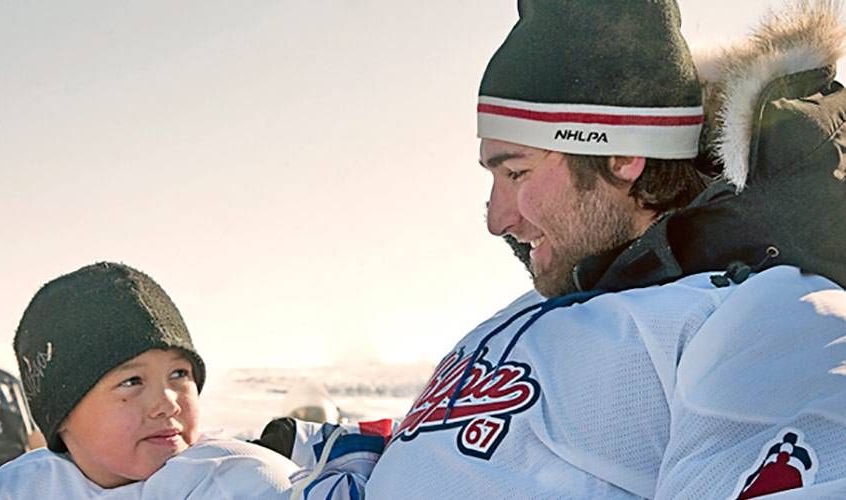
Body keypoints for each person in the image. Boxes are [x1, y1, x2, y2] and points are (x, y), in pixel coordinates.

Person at [261, 1, 846, 498]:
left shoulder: (762, 319)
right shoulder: (541, 306)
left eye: (515, 172)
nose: (496, 219)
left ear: (621, 156)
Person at [0, 262, 381, 499]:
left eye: (179, 374)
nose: (167, 401)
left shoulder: (235, 480)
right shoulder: (22, 487)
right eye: (131, 382)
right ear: (62, 415)